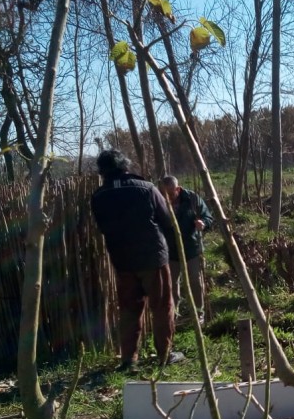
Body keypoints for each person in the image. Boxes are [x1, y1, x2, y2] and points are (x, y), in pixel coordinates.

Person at [91, 150, 184, 370]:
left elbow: (102, 226)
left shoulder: (99, 196)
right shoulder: (146, 188)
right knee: (162, 306)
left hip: (122, 259)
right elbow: (167, 220)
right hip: (153, 257)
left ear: (102, 171)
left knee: (129, 309)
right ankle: (165, 354)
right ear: (125, 166)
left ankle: (129, 359)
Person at [160, 175, 214, 326]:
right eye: (164, 194)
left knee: (195, 282)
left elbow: (208, 217)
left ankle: (199, 313)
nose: (167, 198)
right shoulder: (159, 200)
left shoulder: (192, 199)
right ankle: (173, 314)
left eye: (170, 194)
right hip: (170, 250)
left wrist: (203, 223)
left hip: (192, 247)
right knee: (171, 284)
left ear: (178, 189)